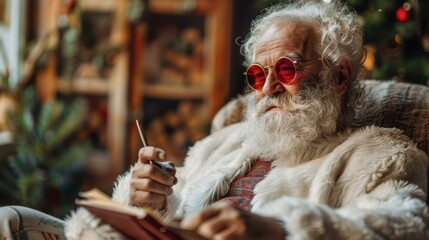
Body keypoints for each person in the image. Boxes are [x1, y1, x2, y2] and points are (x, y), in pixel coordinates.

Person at [1, 1, 428, 239]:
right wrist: (148, 201)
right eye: (258, 75)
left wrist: (280, 229)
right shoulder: (225, 143)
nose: (266, 90)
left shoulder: (378, 154)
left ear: (338, 76)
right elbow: (163, 216)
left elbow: (405, 226)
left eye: (286, 69)